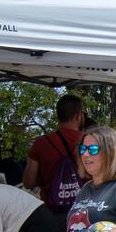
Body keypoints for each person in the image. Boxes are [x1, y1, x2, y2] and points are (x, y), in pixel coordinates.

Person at [23, 93, 87, 222]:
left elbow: (28, 182)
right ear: (78, 115)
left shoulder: (41, 143)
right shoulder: (88, 142)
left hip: (51, 212)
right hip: (83, 211)